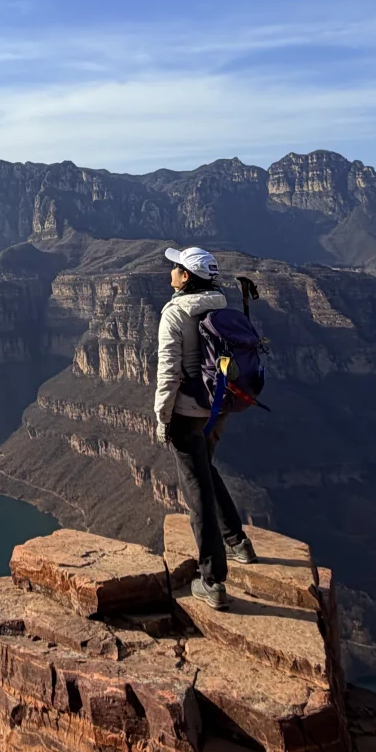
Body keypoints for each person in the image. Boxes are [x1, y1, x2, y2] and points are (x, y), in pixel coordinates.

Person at [154, 245, 256, 610]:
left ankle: (212, 581)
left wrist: (162, 418)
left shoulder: (175, 315)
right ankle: (238, 542)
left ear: (185, 277)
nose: (170, 272)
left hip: (186, 413)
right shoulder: (219, 306)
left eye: (175, 268)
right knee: (205, 468)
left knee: (196, 490)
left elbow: (168, 373)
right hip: (219, 408)